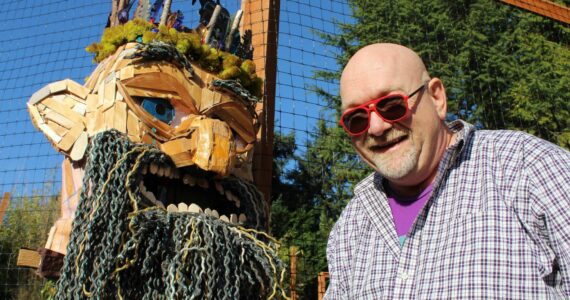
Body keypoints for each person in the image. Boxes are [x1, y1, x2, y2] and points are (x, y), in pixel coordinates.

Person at [325, 43, 570, 299]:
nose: (375, 127)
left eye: (391, 105)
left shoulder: (528, 167)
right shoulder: (352, 224)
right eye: (357, 119)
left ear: (437, 98)